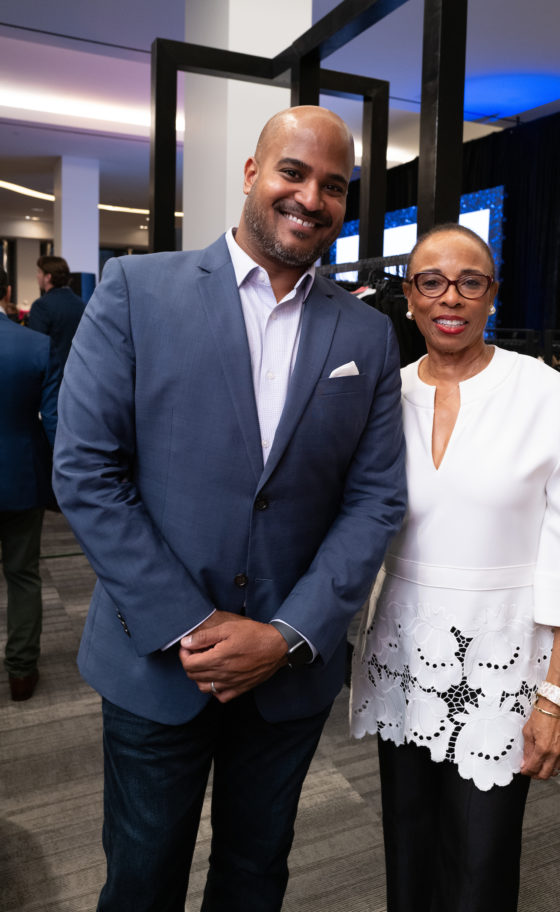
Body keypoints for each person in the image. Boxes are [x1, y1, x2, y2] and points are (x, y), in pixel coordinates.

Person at [53, 105, 406, 912]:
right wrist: (194, 626)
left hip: (287, 675)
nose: (311, 198)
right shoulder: (137, 290)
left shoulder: (368, 335)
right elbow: (86, 470)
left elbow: (375, 498)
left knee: (255, 873)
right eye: (293, 173)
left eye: (334, 186)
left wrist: (283, 637)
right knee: (142, 878)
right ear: (252, 173)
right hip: (156, 660)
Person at [350, 224, 560, 912]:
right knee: (407, 853)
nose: (451, 297)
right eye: (431, 281)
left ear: (491, 296)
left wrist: (556, 698)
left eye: (470, 281)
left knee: (480, 865)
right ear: (409, 297)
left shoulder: (550, 397)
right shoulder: (386, 395)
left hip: (502, 665)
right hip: (403, 654)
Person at [0, 268, 59, 700]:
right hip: (21, 477)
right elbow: (55, 420)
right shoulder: (36, 345)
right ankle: (21, 672)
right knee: (23, 575)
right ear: (5, 292)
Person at [28, 255, 86, 378]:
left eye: (39, 272)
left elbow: (35, 347)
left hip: (53, 377)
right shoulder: (81, 304)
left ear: (48, 277)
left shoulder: (41, 306)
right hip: (78, 375)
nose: (37, 276)